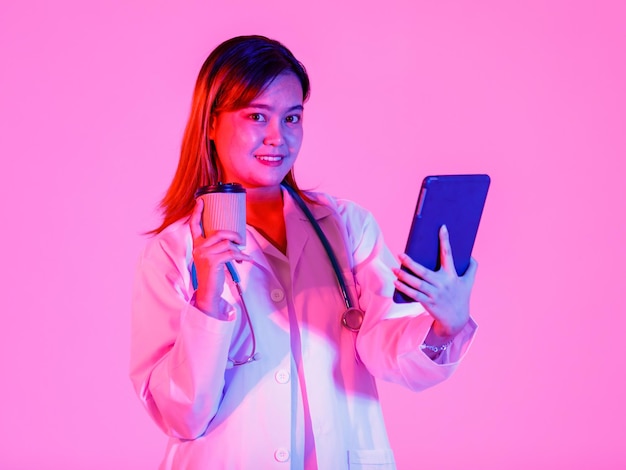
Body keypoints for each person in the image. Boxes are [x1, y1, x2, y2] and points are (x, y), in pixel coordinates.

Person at [130, 35, 478, 470]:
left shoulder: (347, 227)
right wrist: (207, 302)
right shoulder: (173, 253)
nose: (278, 137)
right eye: (257, 115)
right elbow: (181, 416)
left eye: (292, 118)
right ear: (211, 125)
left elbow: (387, 349)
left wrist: (447, 324)